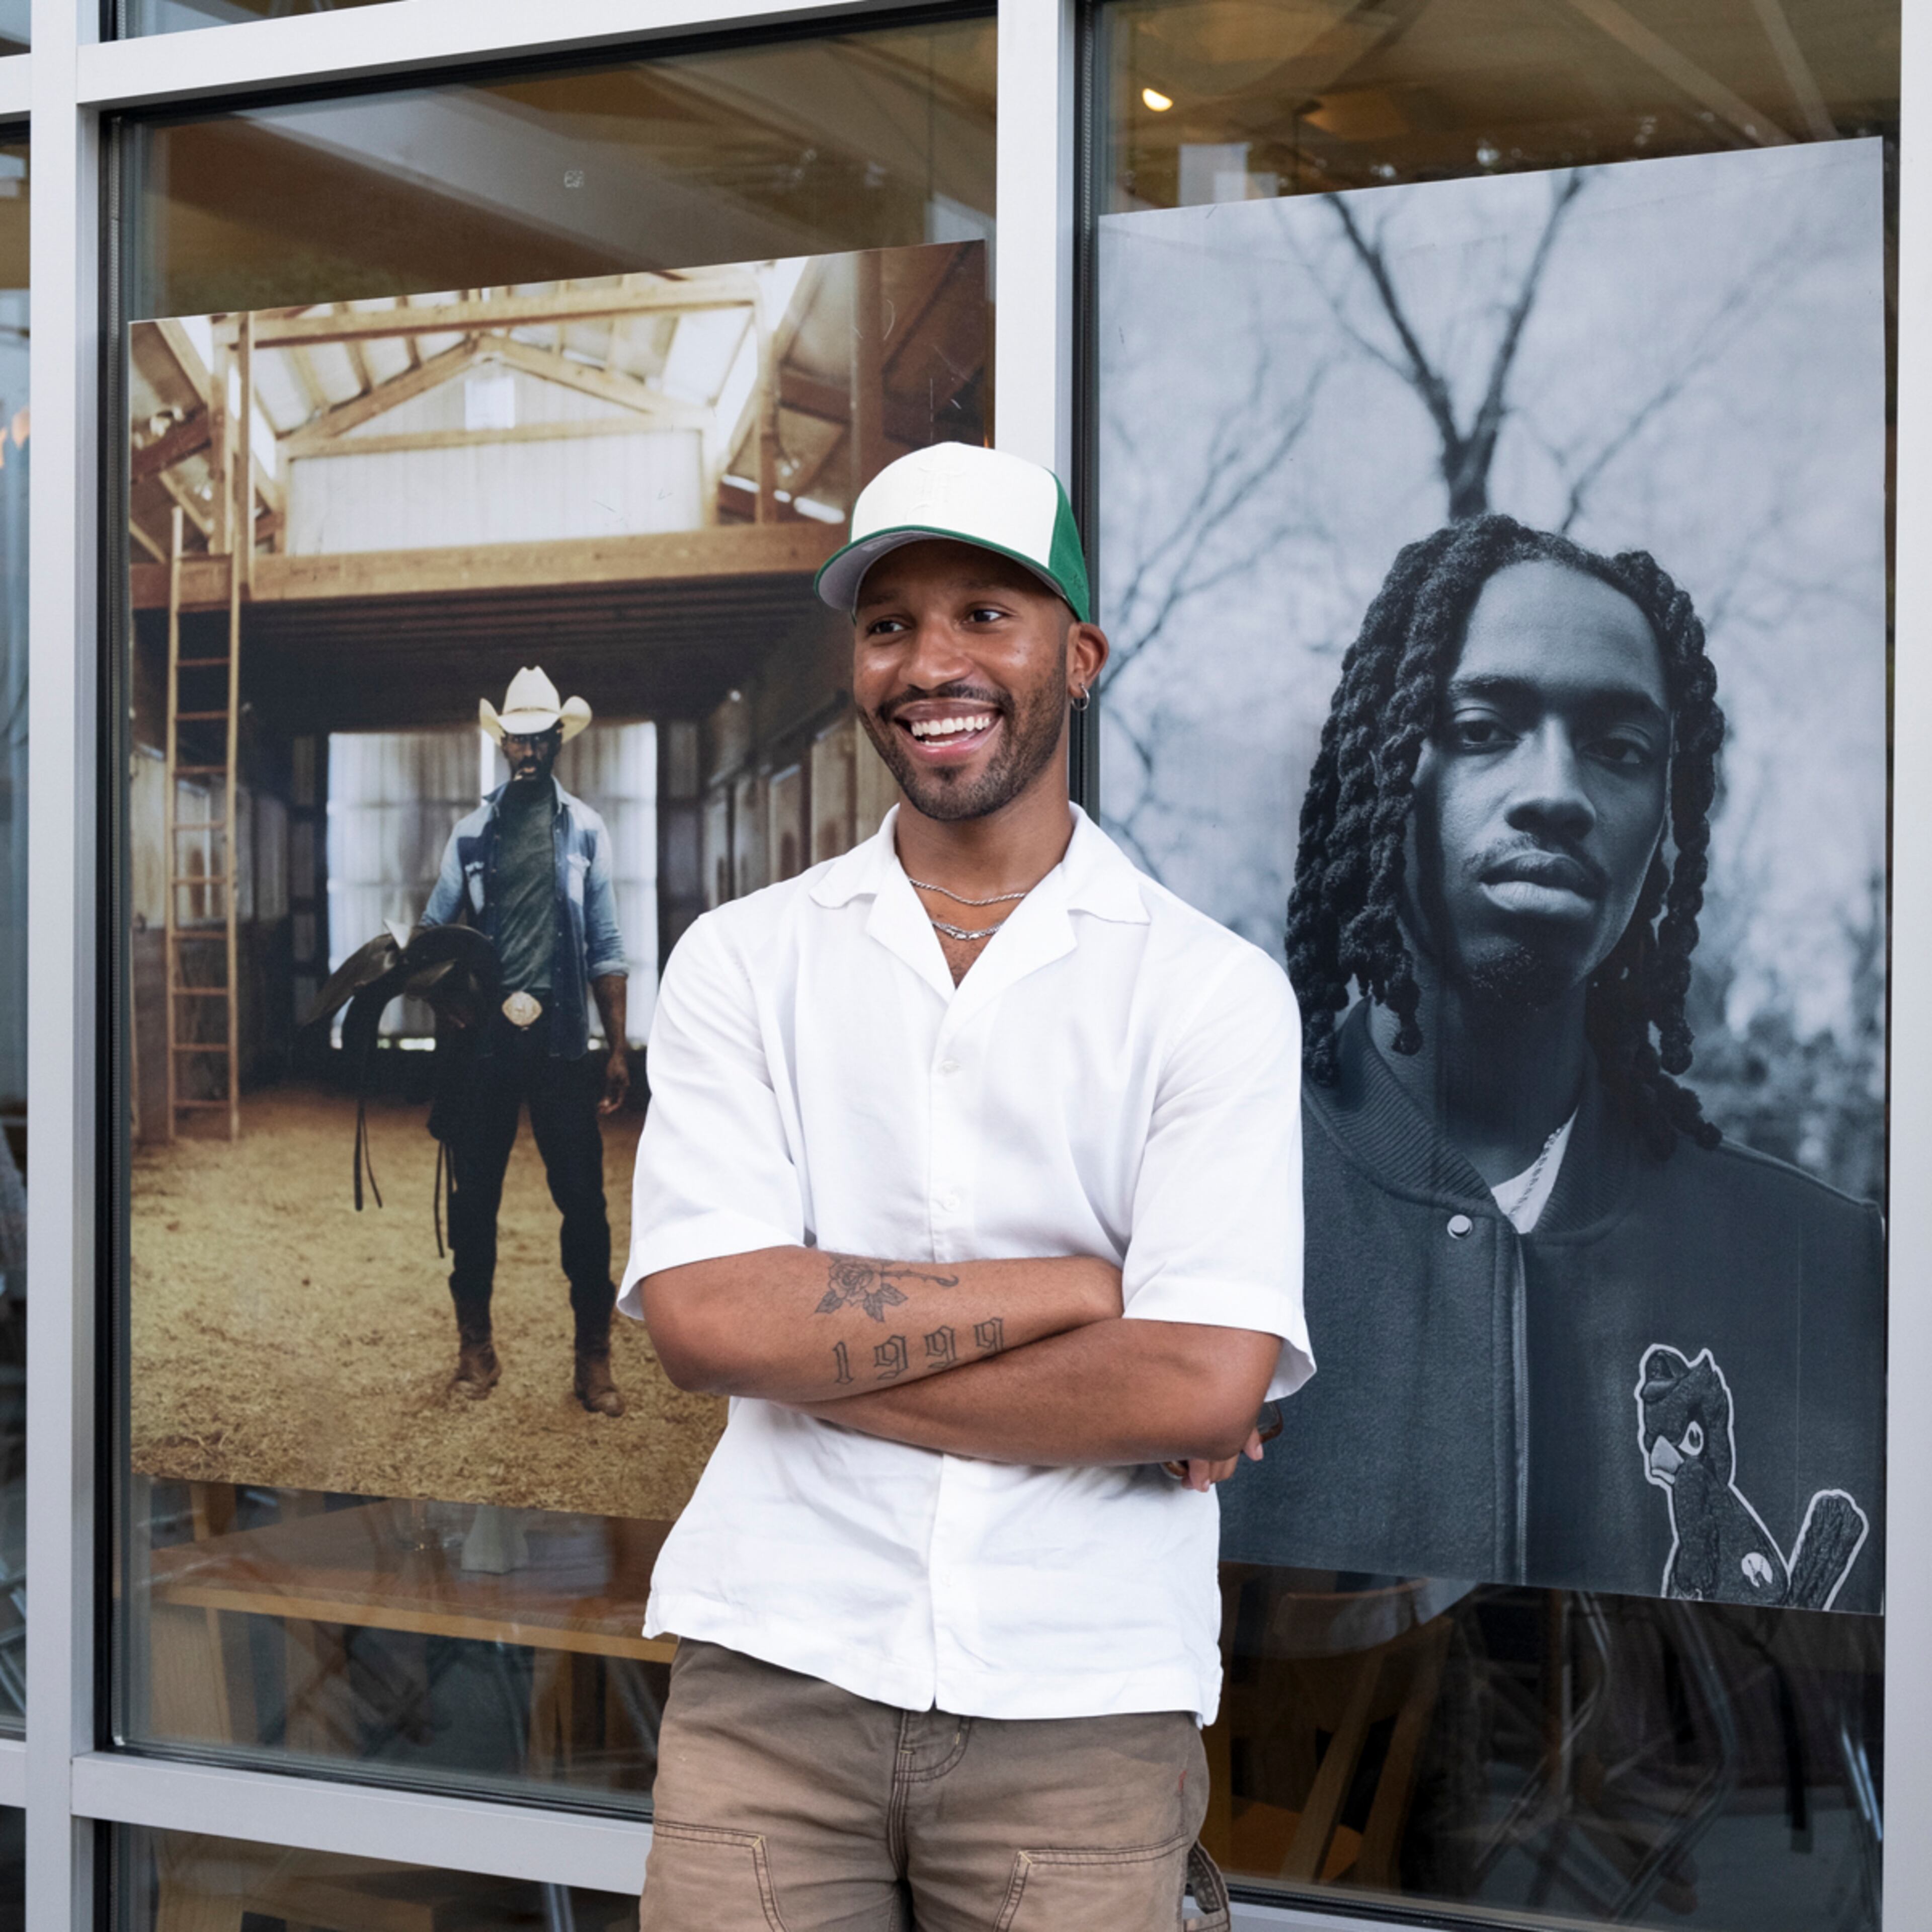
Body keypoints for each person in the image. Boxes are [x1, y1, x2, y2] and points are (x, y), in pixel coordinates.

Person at [620, 441, 1310, 1931]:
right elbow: (703, 1322)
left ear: (1081, 652)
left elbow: (1198, 1384)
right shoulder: (743, 962)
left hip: (1079, 1711)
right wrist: (1084, 1295)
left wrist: (810, 1348)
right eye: (889, 625)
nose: (932, 663)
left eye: (985, 615)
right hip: (771, 1693)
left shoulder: (1210, 993)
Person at [1220, 513, 1883, 1611]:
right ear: (1387, 769)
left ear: (1662, 826)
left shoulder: (1830, 1272)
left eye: (1622, 752)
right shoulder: (1192, 1201)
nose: (1558, 792)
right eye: (1484, 728)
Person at [421, 667, 631, 1418]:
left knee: (583, 1204)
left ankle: (593, 1361)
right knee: (473, 1199)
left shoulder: (586, 831)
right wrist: (451, 1002)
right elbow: (434, 934)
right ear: (504, 741)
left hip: (563, 1042)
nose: (531, 749)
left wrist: (616, 1046)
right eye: (520, 737)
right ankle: (475, 1350)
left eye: (543, 737)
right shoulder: (471, 833)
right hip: (486, 1050)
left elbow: (605, 941)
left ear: (557, 740)